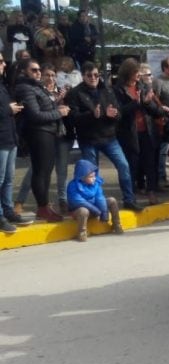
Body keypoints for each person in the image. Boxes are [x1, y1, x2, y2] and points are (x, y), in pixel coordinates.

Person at [66, 61, 144, 212]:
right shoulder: (75, 94)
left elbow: (118, 112)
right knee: (91, 173)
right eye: (89, 75)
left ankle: (129, 199)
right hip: (88, 139)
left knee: (124, 165)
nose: (94, 78)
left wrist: (111, 115)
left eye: (96, 75)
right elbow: (74, 118)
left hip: (109, 137)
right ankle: (96, 202)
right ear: (83, 76)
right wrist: (93, 115)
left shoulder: (107, 90)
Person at [14, 58, 70, 222]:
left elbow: (45, 108)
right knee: (40, 171)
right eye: (34, 70)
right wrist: (59, 113)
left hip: (48, 132)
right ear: (25, 71)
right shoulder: (25, 88)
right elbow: (35, 115)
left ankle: (44, 206)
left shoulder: (36, 87)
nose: (38, 73)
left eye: (39, 70)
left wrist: (57, 107)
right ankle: (42, 206)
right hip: (38, 133)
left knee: (46, 170)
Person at [113, 59, 164, 205]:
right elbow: (119, 112)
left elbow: (157, 111)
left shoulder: (144, 86)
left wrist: (147, 103)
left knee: (150, 163)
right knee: (131, 165)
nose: (138, 75)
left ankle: (152, 192)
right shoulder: (118, 89)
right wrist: (136, 103)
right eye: (136, 72)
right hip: (129, 133)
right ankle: (130, 195)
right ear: (128, 73)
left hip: (147, 131)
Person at [0, 52, 28, 233]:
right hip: (1, 140)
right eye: (0, 61)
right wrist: (7, 109)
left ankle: (8, 209)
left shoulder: (2, 85)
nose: (3, 64)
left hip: (10, 137)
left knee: (9, 179)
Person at [66, 159, 123, 241]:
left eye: (94, 176)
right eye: (91, 177)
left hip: (96, 210)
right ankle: (82, 232)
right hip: (80, 212)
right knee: (83, 210)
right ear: (82, 177)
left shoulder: (95, 183)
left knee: (112, 200)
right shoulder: (73, 186)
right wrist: (96, 210)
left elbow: (100, 197)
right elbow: (78, 201)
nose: (94, 178)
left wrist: (104, 212)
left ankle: (117, 225)